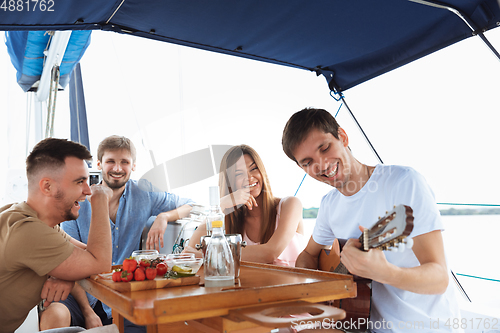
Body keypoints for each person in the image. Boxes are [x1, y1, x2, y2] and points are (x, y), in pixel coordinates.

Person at [281, 108, 462, 332]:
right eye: (307, 162)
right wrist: (319, 290)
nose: (321, 164)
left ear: (343, 137)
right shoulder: (329, 204)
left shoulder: (403, 182)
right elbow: (308, 254)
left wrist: (384, 272)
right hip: (362, 324)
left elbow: (440, 278)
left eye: (325, 148)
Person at [39, 135, 194, 332]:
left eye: (124, 162)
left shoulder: (145, 193)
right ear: (99, 163)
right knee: (55, 314)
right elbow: (69, 260)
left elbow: (191, 204)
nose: (118, 168)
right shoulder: (78, 199)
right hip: (82, 293)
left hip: (124, 292)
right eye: (111, 161)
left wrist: (163, 217)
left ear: (134, 166)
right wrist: (87, 311)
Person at [0, 138, 113, 333]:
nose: (88, 190)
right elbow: (100, 262)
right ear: (47, 187)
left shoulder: (28, 218)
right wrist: (101, 198)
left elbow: (88, 256)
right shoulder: (28, 231)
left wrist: (69, 275)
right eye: (80, 181)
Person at [186, 145, 306, 266]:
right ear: (230, 183)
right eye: (239, 174)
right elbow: (190, 252)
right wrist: (221, 205)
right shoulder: (230, 220)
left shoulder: (290, 205)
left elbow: (270, 253)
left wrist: (210, 254)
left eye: (253, 169)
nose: (249, 177)